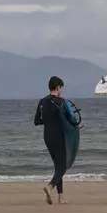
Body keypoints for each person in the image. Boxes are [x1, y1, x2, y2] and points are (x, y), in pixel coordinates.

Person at [32, 75, 80, 205]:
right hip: (59, 137)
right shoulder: (61, 102)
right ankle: (50, 186)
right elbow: (72, 119)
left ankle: (61, 197)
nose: (62, 91)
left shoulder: (42, 102)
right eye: (61, 88)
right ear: (58, 87)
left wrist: (48, 120)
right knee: (62, 166)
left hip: (47, 137)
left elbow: (36, 121)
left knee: (57, 166)